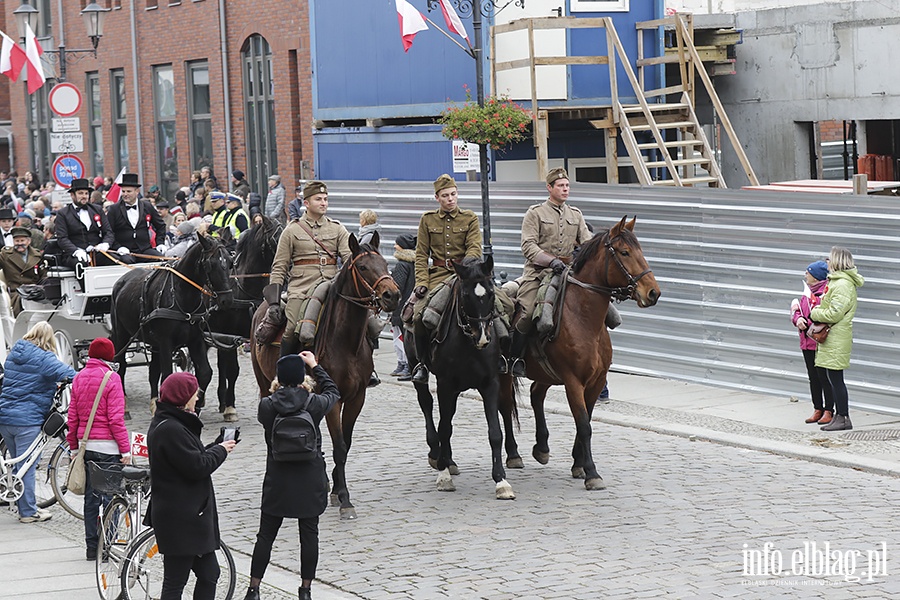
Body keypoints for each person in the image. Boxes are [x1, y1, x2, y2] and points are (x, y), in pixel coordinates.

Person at [243, 351, 340, 600]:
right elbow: (333, 391)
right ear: (301, 378)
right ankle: (305, 590)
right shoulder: (314, 403)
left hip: (278, 480)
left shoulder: (267, 406)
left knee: (265, 536)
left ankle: (254, 589)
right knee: (309, 536)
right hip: (310, 481)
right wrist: (316, 365)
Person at [145, 372, 237, 599]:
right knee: (175, 582)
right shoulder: (171, 429)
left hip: (189, 516)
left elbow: (188, 458)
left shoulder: (172, 423)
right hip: (181, 518)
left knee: (209, 573)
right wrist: (221, 450)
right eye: (194, 394)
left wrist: (215, 446)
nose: (197, 398)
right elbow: (198, 466)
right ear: (183, 397)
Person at [503, 167, 591, 377]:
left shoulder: (576, 215)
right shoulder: (535, 213)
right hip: (538, 274)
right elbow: (528, 245)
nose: (565, 189)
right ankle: (514, 358)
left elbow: (587, 243)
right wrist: (550, 261)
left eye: (567, 185)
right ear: (549, 188)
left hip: (568, 274)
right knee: (527, 313)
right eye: (560, 186)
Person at [0, 322, 77, 523]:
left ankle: (22, 505)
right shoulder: (44, 358)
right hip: (27, 420)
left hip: (6, 418)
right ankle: (28, 512)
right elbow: (70, 374)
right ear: (49, 339)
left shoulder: (14, 354)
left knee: (18, 466)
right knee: (27, 466)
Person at [410, 174, 482, 384]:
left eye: (453, 194)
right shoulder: (427, 219)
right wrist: (422, 282)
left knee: (498, 306)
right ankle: (422, 363)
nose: (450, 199)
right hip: (438, 276)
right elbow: (421, 254)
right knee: (418, 316)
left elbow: (475, 247)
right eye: (445, 196)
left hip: (466, 274)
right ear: (437, 198)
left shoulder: (469, 218)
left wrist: (465, 269)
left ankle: (502, 358)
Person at [269, 181, 351, 357]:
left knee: (360, 321)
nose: (324, 203)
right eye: (318, 199)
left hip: (332, 286)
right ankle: (285, 371)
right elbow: (279, 267)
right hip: (302, 289)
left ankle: (366, 368)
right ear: (306, 203)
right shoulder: (291, 231)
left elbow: (349, 260)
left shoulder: (337, 228)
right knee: (291, 329)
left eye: (326, 199)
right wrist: (274, 301)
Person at [67, 338, 131, 560]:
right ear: (109, 356)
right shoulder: (112, 378)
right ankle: (107, 547)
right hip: (109, 448)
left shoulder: (79, 377)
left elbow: (72, 418)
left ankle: (91, 548)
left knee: (91, 500)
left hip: (87, 448)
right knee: (110, 499)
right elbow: (115, 420)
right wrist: (126, 450)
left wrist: (74, 448)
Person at [810, 247, 864, 432]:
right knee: (832, 378)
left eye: (830, 259)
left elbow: (834, 313)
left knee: (836, 378)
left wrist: (814, 312)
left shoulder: (842, 284)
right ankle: (839, 416)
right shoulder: (838, 282)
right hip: (833, 337)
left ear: (838, 261)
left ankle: (843, 417)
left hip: (836, 336)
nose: (827, 262)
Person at [791, 260, 834, 425]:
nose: (805, 275)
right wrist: (798, 319)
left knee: (824, 377)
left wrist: (808, 321)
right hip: (806, 342)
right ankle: (818, 408)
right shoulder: (806, 293)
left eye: (808, 273)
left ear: (816, 276)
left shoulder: (826, 293)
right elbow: (797, 311)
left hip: (820, 342)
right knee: (813, 377)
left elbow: (826, 316)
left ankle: (829, 410)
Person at [54, 178, 117, 269]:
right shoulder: (63, 214)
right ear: (72, 195)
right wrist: (76, 251)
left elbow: (108, 232)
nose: (84, 196)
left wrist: (105, 244)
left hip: (96, 252)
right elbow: (62, 238)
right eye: (80, 193)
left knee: (116, 261)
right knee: (81, 265)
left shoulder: (97, 209)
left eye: (86, 193)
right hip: (74, 254)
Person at [105, 173, 168, 263]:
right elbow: (108, 232)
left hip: (144, 249)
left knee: (161, 259)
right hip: (124, 252)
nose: (125, 194)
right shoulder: (114, 209)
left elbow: (161, 225)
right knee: (127, 262)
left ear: (137, 191)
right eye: (123, 191)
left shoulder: (147, 206)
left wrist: (160, 243)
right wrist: (118, 247)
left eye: (129, 191)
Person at [0, 226, 46, 315]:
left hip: (35, 291)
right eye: (17, 241)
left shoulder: (37, 255)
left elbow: (44, 275)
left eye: (22, 241)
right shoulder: (6, 255)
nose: (19, 244)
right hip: (16, 292)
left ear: (29, 241)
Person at [389, 233, 416, 380]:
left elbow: (396, 287)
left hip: (400, 307)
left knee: (399, 337)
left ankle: (405, 364)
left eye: (397, 244)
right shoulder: (414, 264)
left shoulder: (401, 265)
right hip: (411, 306)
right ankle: (402, 364)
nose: (394, 246)